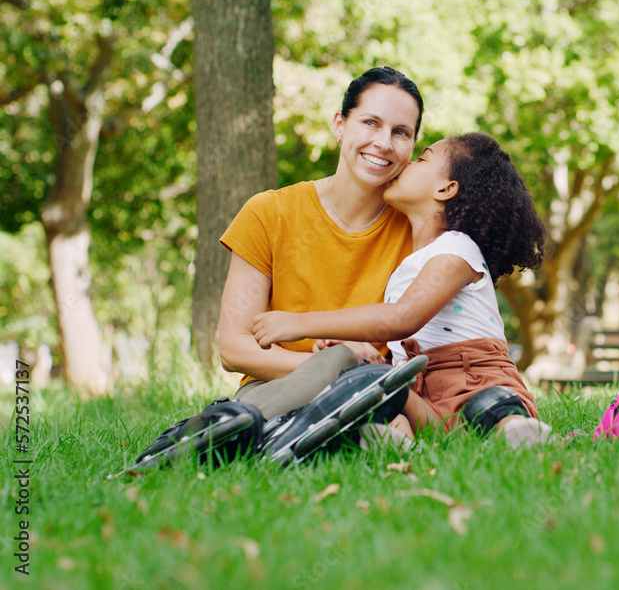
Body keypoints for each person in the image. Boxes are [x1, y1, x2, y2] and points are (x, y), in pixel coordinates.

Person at [128, 67, 424, 470]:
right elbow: (235, 349)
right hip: (275, 391)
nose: (383, 142)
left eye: (401, 132)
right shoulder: (270, 213)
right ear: (340, 125)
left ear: (412, 145)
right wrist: (335, 366)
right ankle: (228, 433)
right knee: (342, 384)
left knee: (387, 432)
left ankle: (275, 439)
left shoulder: (419, 229)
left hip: (369, 397)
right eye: (370, 122)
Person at [251, 132, 552, 447]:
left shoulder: (458, 250)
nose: (406, 163)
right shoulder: (405, 270)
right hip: (424, 397)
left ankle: (514, 429)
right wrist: (361, 350)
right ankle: (399, 443)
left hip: (474, 382)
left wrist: (298, 323)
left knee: (487, 407)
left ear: (446, 189)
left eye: (422, 159)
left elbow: (401, 318)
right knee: (373, 389)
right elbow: (402, 334)